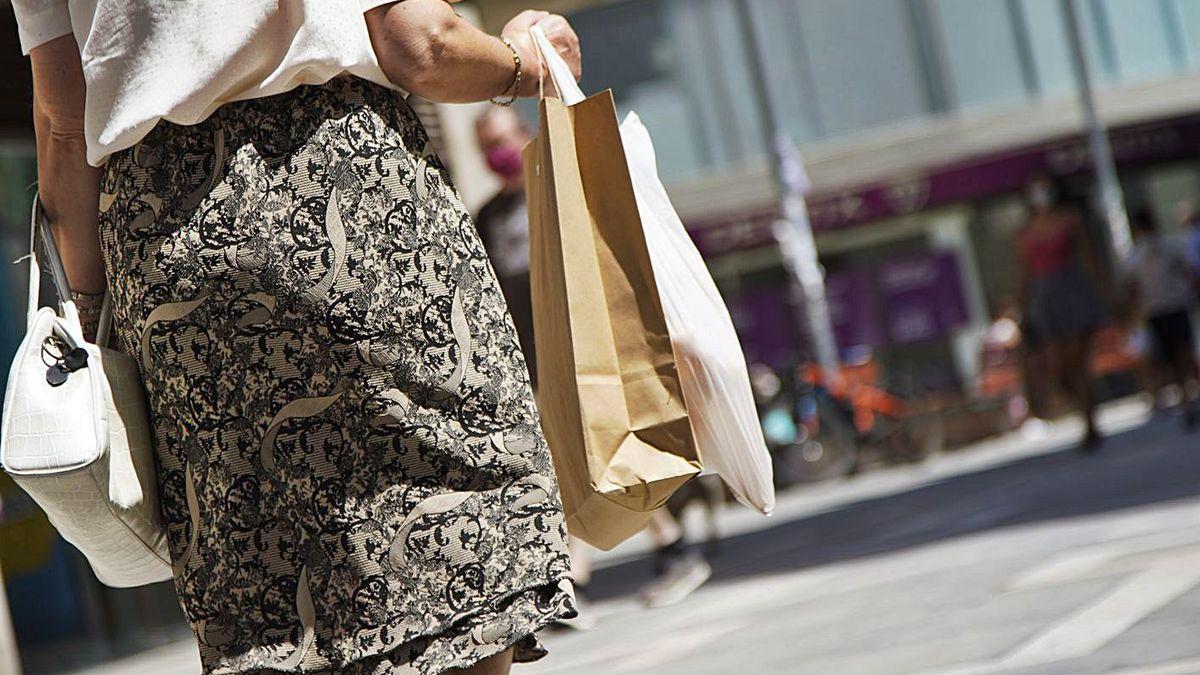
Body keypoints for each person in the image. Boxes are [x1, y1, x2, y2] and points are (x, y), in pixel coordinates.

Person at [15, 2, 582, 673]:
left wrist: (89, 315)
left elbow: (61, 124)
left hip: (164, 235)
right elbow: (418, 41)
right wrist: (522, 62)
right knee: (443, 513)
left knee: (252, 566)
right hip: (337, 186)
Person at [1016, 172, 1108, 451]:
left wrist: (1104, 293)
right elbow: (1024, 273)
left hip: (1072, 292)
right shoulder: (1026, 229)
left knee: (1079, 364)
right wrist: (1022, 310)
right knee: (1060, 372)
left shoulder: (1070, 219)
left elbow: (1088, 257)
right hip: (1045, 300)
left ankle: (1090, 424)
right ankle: (1086, 409)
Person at [475, 108, 538, 387]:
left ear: (524, 135)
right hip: (532, 357)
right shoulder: (487, 216)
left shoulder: (555, 188)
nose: (496, 153)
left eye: (500, 142)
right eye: (487, 147)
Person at [1124, 211, 1200, 430]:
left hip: (1162, 308)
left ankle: (1187, 395)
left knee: (1177, 355)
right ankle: (1187, 395)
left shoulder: (1146, 252)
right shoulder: (1161, 248)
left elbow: (1132, 288)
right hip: (1165, 308)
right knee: (1180, 353)